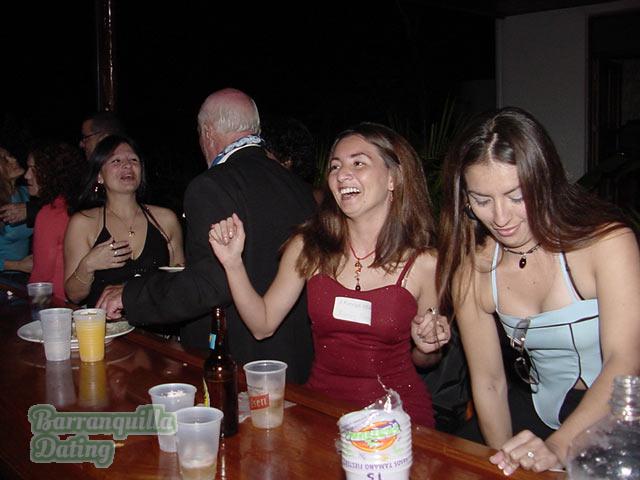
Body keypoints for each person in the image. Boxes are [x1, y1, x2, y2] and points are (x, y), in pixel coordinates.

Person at [436, 106, 640, 474]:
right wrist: (505, 463)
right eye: (482, 200)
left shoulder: (607, 243)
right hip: (542, 409)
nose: (501, 218)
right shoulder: (473, 270)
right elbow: (489, 383)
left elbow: (624, 361)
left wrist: (558, 447)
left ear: (544, 180)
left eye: (516, 197)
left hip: (622, 413)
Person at [209, 122, 451, 426]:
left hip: (396, 417)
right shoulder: (308, 246)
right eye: (335, 166)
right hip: (323, 410)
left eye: (358, 163)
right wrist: (233, 263)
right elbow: (262, 324)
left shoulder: (425, 262)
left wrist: (428, 345)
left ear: (393, 178)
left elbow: (426, 359)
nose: (341, 174)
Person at [97, 88, 316, 384]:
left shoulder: (211, 185)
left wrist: (130, 295)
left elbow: (210, 284)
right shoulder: (298, 187)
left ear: (208, 133)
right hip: (294, 361)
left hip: (238, 365)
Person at [64, 134, 184, 307]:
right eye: (116, 161)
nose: (127, 165)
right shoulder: (84, 223)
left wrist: (131, 291)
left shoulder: (166, 219)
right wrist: (88, 265)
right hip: (105, 323)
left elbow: (180, 282)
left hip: (156, 322)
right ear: (100, 176)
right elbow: (74, 296)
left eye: (134, 160)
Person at [27, 141, 87, 302]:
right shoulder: (80, 206)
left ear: (51, 173)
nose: (27, 175)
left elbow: (41, 277)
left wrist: (33, 307)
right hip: (84, 302)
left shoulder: (51, 213)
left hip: (58, 305)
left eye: (33, 169)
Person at [0, 146, 32, 282]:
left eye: (11, 155)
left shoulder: (27, 193)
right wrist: (18, 265)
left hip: (23, 277)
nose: (14, 159)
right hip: (4, 278)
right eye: (4, 160)